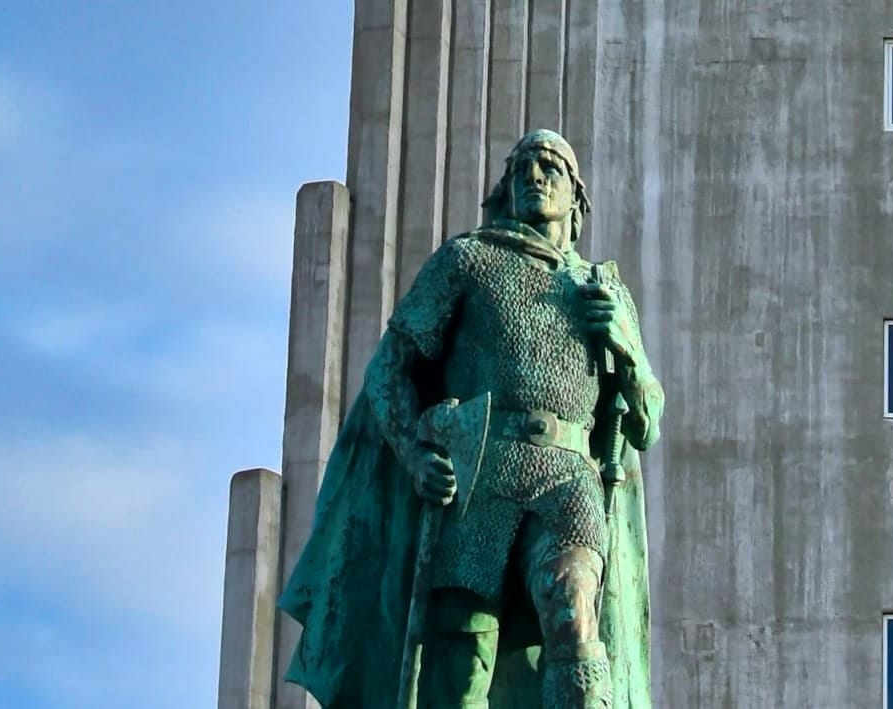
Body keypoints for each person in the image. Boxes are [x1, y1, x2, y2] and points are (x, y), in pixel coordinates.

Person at [279, 129, 664, 709]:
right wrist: (414, 454)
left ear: (575, 200)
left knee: (575, 618)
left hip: (568, 478)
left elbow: (647, 423)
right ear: (506, 189)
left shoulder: (602, 289)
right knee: (461, 670)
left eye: (551, 167)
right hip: (483, 473)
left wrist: (626, 346)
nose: (536, 176)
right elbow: (388, 370)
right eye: (524, 168)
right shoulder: (468, 259)